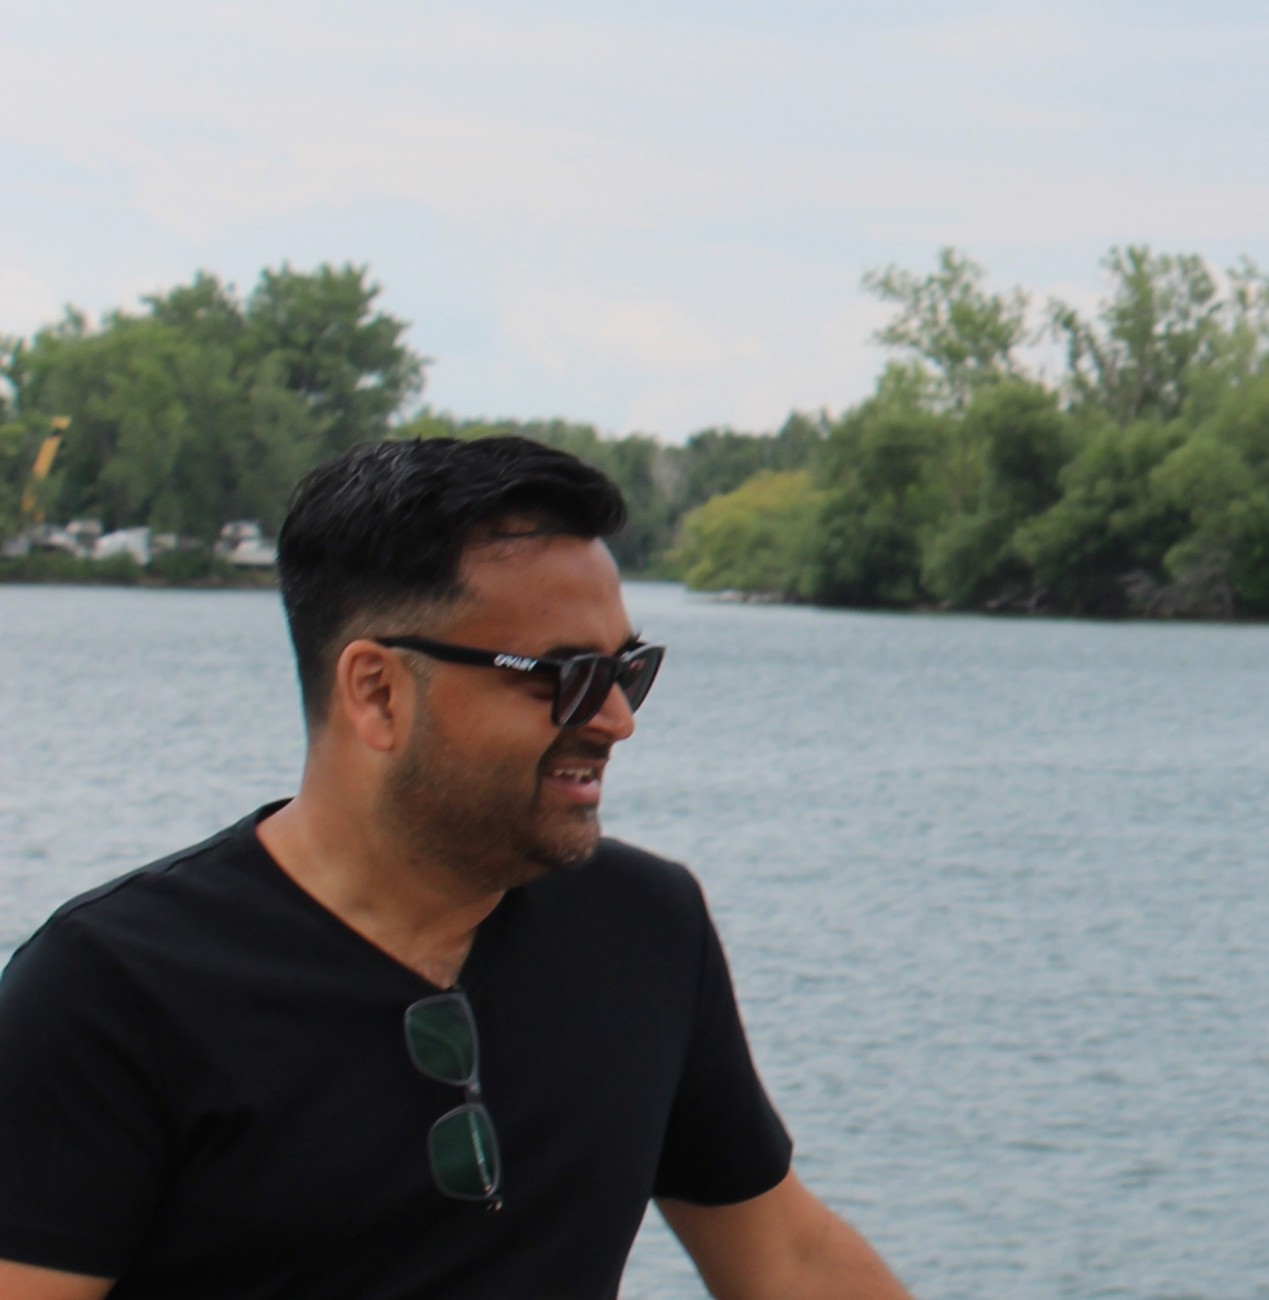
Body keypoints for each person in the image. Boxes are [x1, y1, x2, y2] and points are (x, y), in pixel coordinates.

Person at [0, 436, 910, 1299]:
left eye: (626, 669)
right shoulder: (110, 992)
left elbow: (784, 1255)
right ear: (377, 692)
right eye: (563, 678)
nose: (616, 719)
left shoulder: (646, 928)